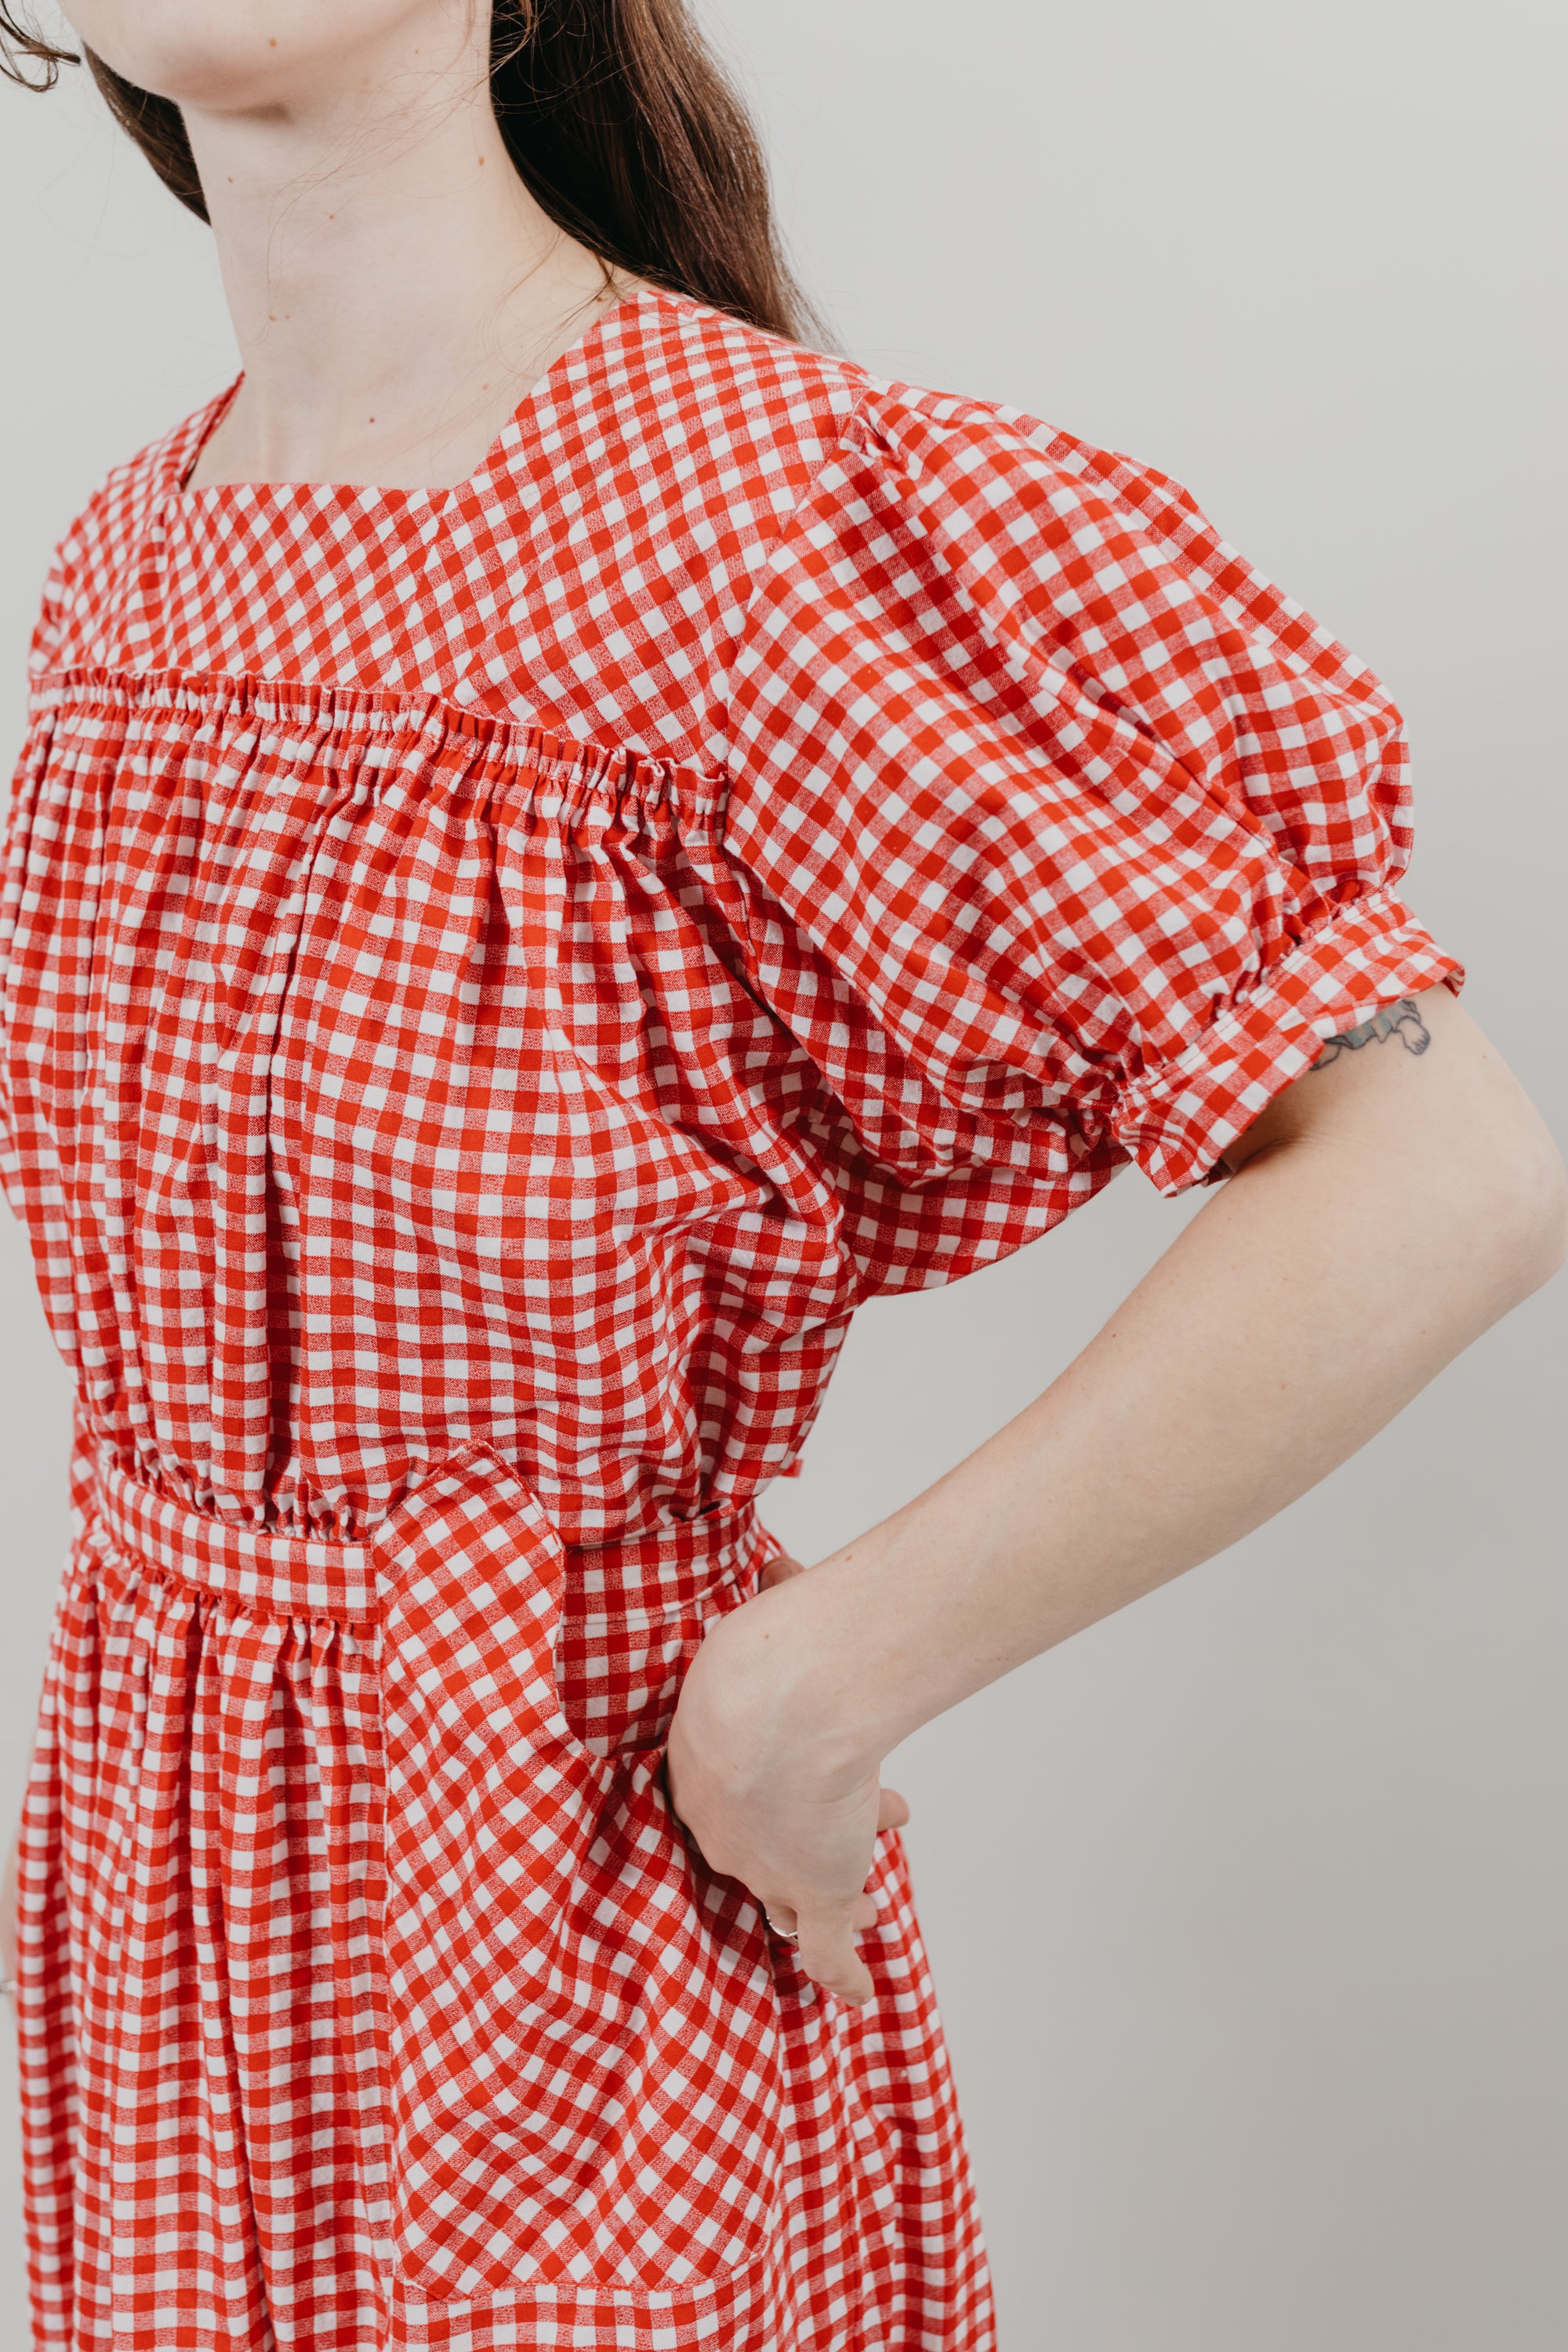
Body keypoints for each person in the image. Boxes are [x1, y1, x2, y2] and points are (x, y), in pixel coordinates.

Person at [0, 2, 1562, 2347]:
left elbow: (1437, 1167)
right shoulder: (134, 558)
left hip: (565, 1904)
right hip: (170, 1893)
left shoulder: (759, 527)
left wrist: (813, 1682)